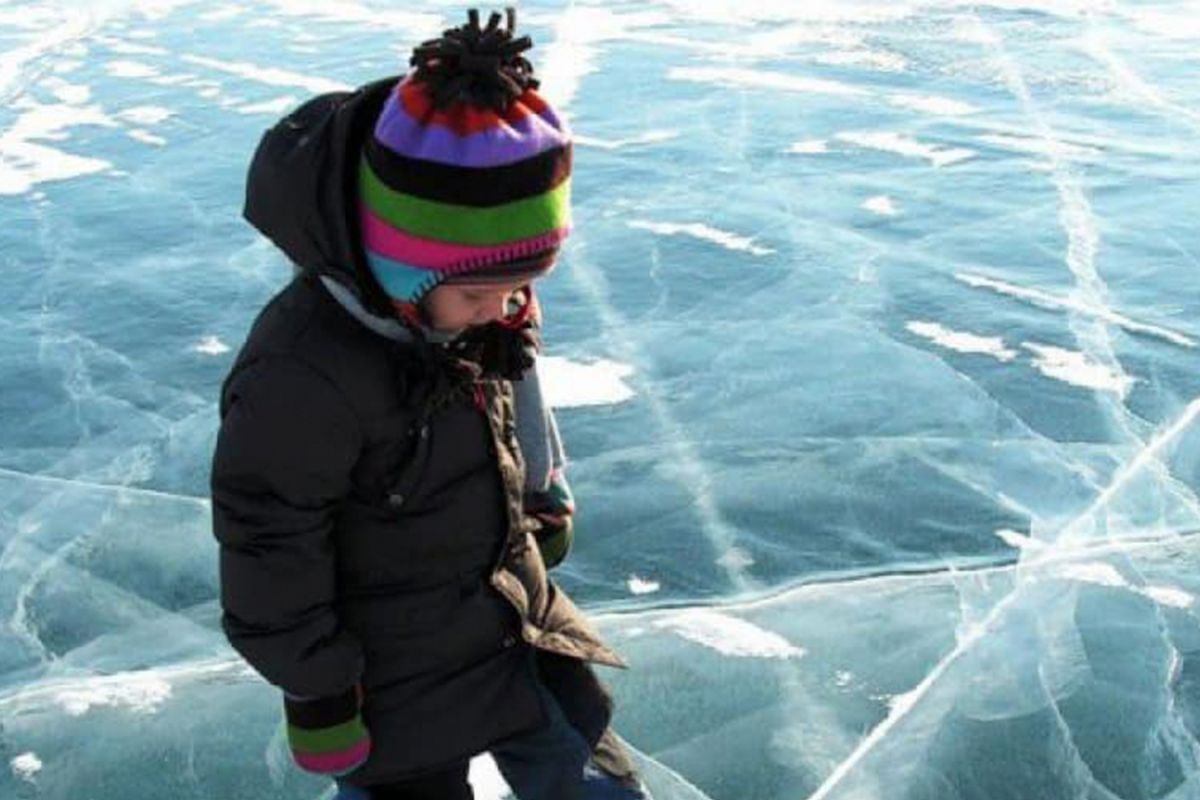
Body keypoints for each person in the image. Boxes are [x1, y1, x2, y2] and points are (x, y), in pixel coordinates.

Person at [209, 7, 651, 799]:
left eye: (522, 283)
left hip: (515, 628)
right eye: (480, 289)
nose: (505, 305)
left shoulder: (485, 309)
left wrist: (542, 499)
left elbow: (521, 402)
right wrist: (318, 693)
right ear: (398, 268)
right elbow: (269, 544)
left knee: (592, 776)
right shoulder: (301, 375)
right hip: (391, 685)